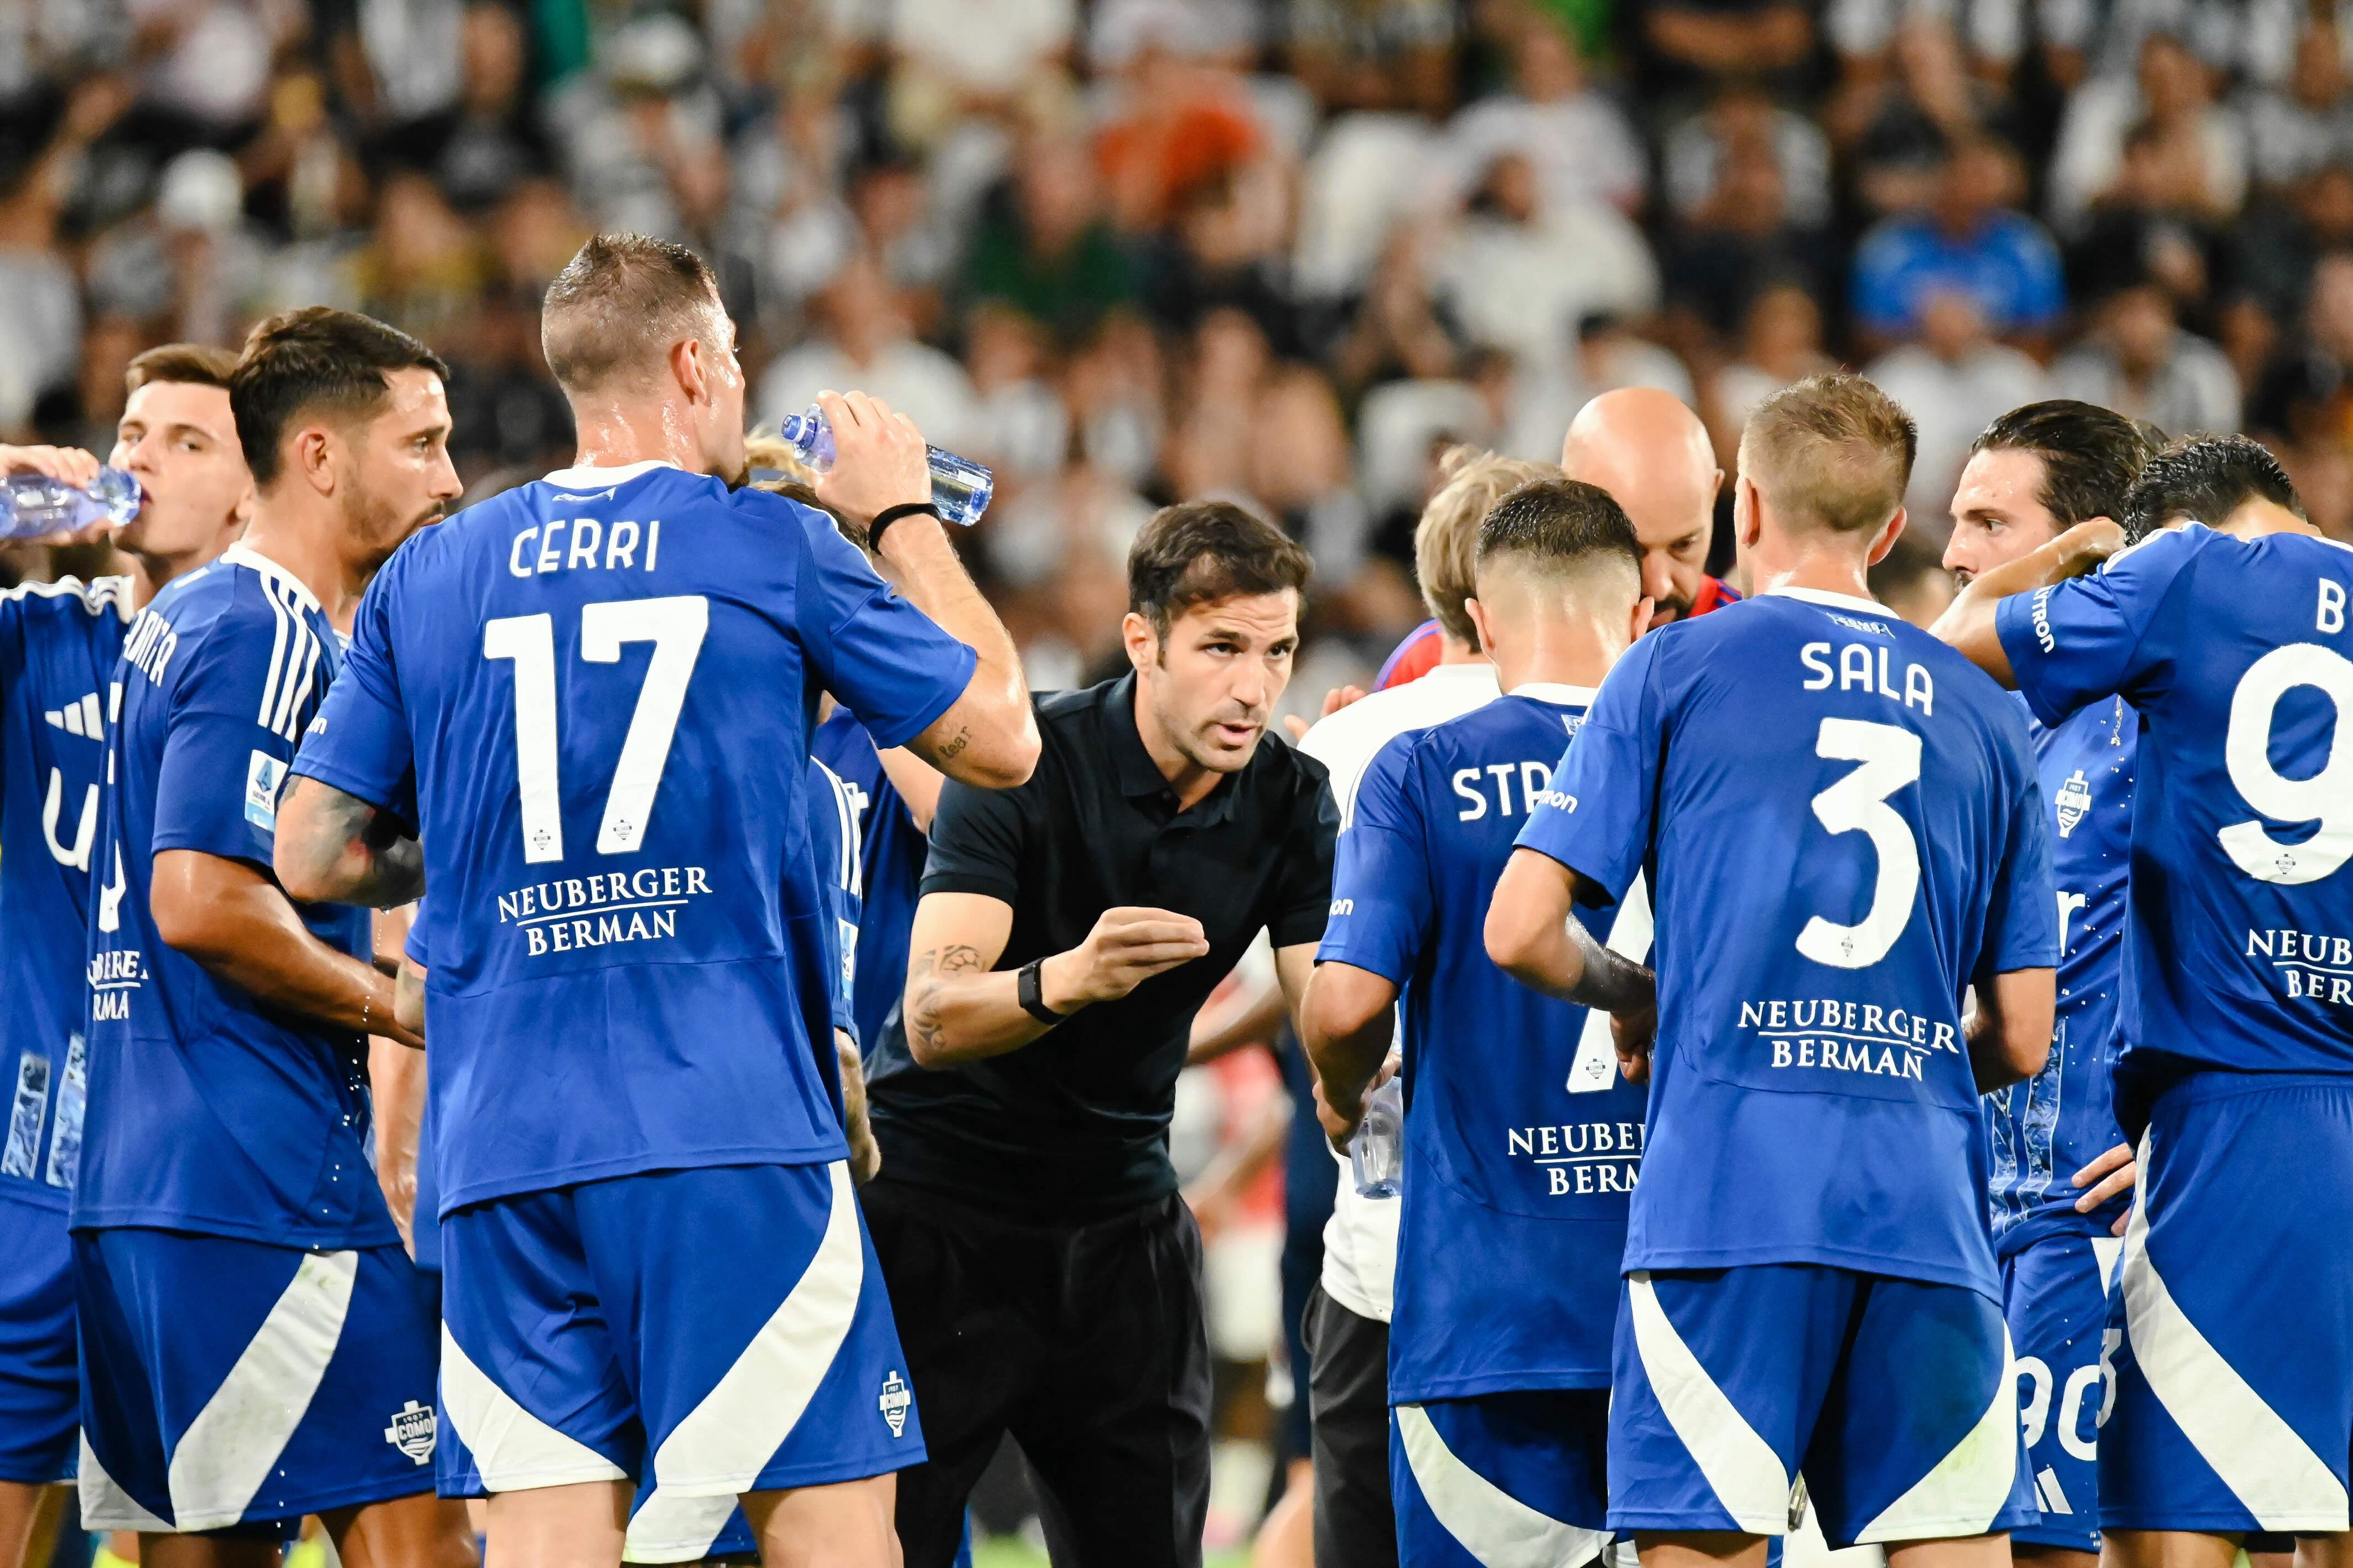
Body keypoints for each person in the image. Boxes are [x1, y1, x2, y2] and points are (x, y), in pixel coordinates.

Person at [270, 232, 1038, 1568]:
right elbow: (1004, 740)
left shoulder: (434, 572)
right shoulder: (770, 542)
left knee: (548, 1537)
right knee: (833, 1532)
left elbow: (314, 854)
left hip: (505, 1147)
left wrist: (488, 851)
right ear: (692, 365)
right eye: (731, 357)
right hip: (725, 1126)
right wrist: (901, 515)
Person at [1486, 372, 2056, 1564]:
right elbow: (2020, 1034)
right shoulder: (1984, 714)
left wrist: (1642, 995)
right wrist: (1895, 1060)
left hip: (1726, 1199)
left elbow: (1519, 929)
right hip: (1925, 1211)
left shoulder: (1673, 667)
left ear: (1742, 505)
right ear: (1890, 531)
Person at [71, 309, 476, 1568]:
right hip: (261, 1180)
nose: (450, 479)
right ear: (318, 455)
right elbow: (199, 897)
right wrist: (399, 1005)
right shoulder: (272, 630)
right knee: (422, 1536)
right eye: (421, 442)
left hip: (139, 1178)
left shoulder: (182, 619)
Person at [861, 501, 1336, 1568]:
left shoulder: (1292, 797)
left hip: (1122, 1222)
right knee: (887, 1547)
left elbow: (1327, 1015)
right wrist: (1069, 977)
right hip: (941, 1215)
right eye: (1221, 647)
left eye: (1277, 651)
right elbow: (931, 1015)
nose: (1253, 686)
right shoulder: (1022, 760)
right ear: (1142, 640)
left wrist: (1357, 1076)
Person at [1934, 434, 2353, 1568]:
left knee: (2162, 1526)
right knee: (2327, 1511)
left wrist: (2078, 551)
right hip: (2326, 1097)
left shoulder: (2186, 571)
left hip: (2231, 1111)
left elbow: (1951, 646)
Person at [1305, 477, 1653, 1566]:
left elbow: (1345, 1002)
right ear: (1642, 607)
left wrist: (1337, 1087)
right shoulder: (1706, 764)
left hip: (1490, 1303)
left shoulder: (1419, 766)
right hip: (1687, 1297)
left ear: (1478, 618)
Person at [0, 347, 253, 1568]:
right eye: (132, 433)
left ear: (258, 490)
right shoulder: (45, 638)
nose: (140, 457)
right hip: (33, 1172)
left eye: (186, 441)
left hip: (205, 1179)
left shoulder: (298, 665)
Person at [1279, 445, 1547, 1568]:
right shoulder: (1626, 726)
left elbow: (1321, 993)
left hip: (1389, 1223)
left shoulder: (1346, 744)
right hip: (1582, 1228)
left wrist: (1340, 1091)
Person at [1941, 401, 2158, 1566]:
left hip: (2102, 1217)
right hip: (1977, 1220)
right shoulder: (1994, 726)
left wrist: (2204, 1124)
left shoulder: (2165, 719)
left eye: (1988, 522)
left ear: (2082, 549)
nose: (1955, 554)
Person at [1375, 388, 1736, 688]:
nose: (1659, 585)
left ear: (1714, 492)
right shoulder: (1438, 662)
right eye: (1632, 549)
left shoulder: (1744, 648)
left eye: (1684, 545)